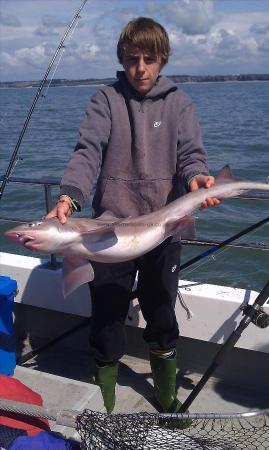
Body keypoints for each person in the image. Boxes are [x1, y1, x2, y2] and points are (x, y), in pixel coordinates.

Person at [46, 17, 220, 414]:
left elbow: (192, 156)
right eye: (131, 59)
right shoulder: (104, 100)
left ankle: (164, 395)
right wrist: (70, 197)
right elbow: (87, 151)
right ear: (122, 60)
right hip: (109, 230)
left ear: (163, 60)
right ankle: (106, 402)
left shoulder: (179, 103)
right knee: (106, 318)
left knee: (162, 313)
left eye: (149, 59)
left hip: (163, 230)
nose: (140, 68)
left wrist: (196, 180)